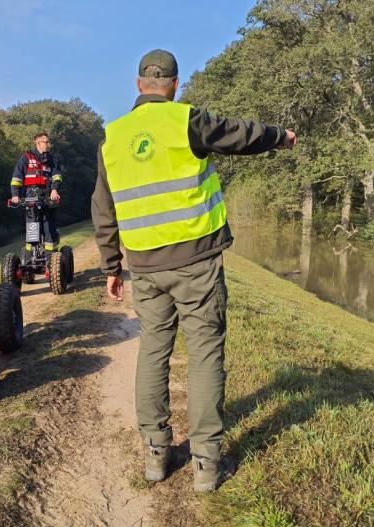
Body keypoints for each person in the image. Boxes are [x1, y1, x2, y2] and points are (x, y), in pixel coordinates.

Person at [91, 49, 297, 492]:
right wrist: (281, 136)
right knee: (204, 354)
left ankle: (155, 456)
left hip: (144, 266)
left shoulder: (112, 138)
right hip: (197, 262)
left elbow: (102, 210)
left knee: (153, 352)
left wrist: (111, 265)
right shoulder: (185, 120)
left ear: (137, 83)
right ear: (174, 83)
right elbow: (240, 135)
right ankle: (206, 463)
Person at [10, 132, 63, 257]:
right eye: (46, 142)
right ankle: (29, 259)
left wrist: (55, 189)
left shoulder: (52, 160)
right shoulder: (26, 158)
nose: (48, 145)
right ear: (37, 143)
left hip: (48, 198)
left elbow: (57, 177)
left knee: (49, 229)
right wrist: (15, 195)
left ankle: (52, 259)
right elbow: (17, 178)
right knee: (32, 230)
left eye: (48, 142)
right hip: (30, 199)